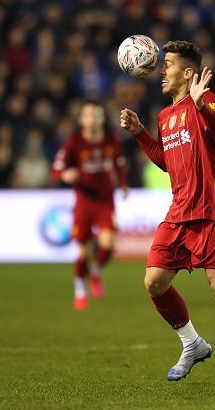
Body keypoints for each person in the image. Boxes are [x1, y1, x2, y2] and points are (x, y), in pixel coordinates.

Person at [119, 40, 215, 392]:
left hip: (213, 208)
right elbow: (166, 163)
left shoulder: (206, 100)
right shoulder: (165, 116)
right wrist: (140, 132)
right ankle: (193, 343)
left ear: (188, 73)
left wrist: (201, 106)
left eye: (166, 64)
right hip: (180, 209)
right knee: (154, 281)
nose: (160, 71)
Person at [52, 100, 128, 310]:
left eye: (96, 115)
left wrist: (123, 184)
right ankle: (79, 287)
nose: (93, 119)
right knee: (83, 251)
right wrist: (65, 174)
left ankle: (95, 272)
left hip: (105, 201)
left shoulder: (111, 140)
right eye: (88, 115)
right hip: (84, 202)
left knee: (108, 244)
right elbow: (57, 168)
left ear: (102, 118)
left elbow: (119, 165)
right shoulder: (73, 143)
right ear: (82, 120)